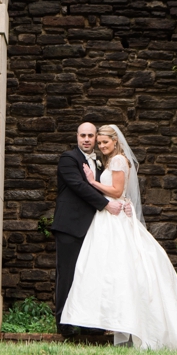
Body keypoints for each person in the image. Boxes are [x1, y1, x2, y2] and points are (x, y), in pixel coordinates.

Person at [62, 124, 177, 351]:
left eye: (104, 142)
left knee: (122, 270)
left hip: (114, 218)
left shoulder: (119, 161)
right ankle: (107, 319)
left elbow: (118, 191)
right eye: (98, 142)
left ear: (115, 141)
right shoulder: (109, 161)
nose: (101, 145)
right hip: (107, 218)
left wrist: (92, 182)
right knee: (107, 271)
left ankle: (129, 322)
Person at [51, 122, 127, 337]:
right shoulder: (69, 159)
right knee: (68, 274)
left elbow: (113, 188)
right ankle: (64, 325)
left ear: (96, 138)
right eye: (82, 135)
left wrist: (123, 203)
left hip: (95, 228)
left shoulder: (103, 163)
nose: (86, 139)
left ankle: (88, 323)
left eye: (90, 135)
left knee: (90, 276)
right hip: (70, 226)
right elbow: (79, 186)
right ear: (77, 136)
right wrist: (106, 205)